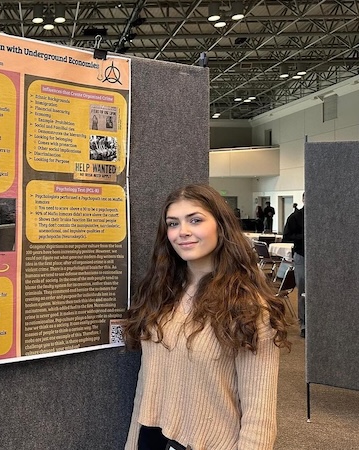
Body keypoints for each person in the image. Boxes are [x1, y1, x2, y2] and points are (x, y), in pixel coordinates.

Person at [123, 184, 290, 450]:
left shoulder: (248, 307)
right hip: (152, 438)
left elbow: (260, 417)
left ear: (220, 226)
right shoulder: (161, 294)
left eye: (195, 220)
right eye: (173, 223)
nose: (183, 232)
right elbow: (146, 386)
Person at [283, 193, 305, 337]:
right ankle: (304, 324)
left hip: (321, 259)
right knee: (303, 290)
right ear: (303, 199)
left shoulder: (323, 215)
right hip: (302, 255)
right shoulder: (295, 217)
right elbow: (286, 236)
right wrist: (305, 236)